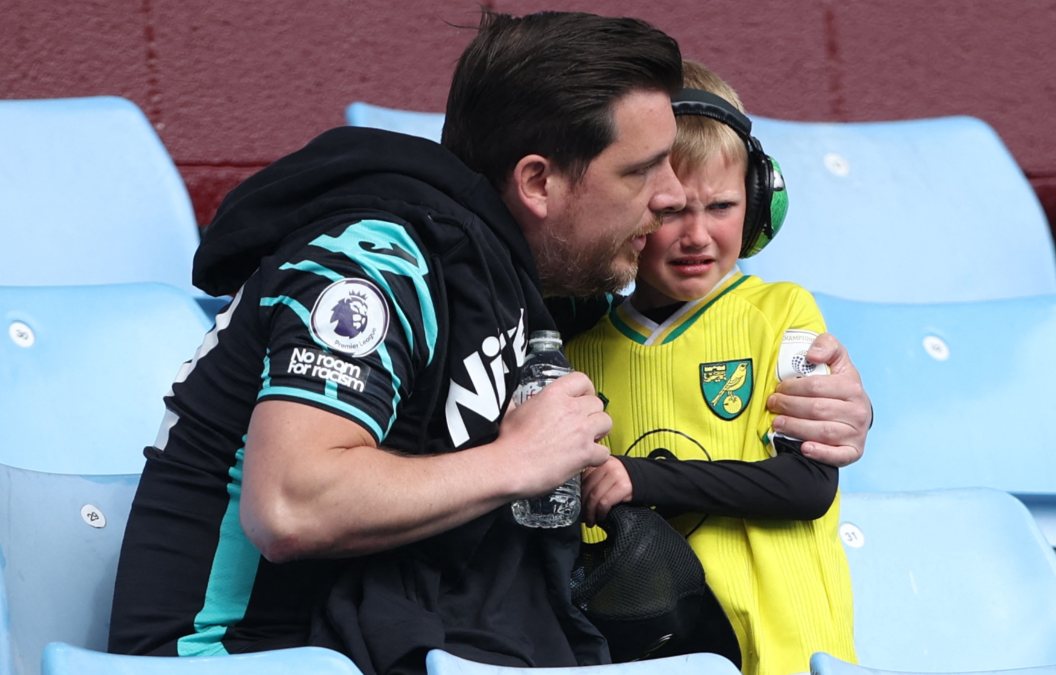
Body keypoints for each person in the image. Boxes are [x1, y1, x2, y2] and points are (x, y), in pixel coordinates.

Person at [107, 10, 870, 673]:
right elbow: (290, 504)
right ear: (538, 183)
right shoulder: (376, 263)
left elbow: (684, 337)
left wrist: (828, 401)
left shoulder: (519, 283)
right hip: (234, 655)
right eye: (641, 171)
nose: (670, 197)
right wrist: (518, 460)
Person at [567, 60, 857, 675]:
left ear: (758, 206)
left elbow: (807, 486)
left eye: (722, 206)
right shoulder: (579, 348)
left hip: (786, 648)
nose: (697, 235)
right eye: (672, 211)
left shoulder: (783, 312)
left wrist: (641, 478)